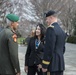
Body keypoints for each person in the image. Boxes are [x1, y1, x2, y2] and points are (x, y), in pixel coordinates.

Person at [42, 10, 66, 75]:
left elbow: (49, 48)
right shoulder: (61, 31)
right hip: (60, 65)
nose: (46, 21)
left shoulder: (51, 29)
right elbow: (63, 49)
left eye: (47, 19)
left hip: (51, 66)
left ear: (51, 18)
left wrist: (45, 65)